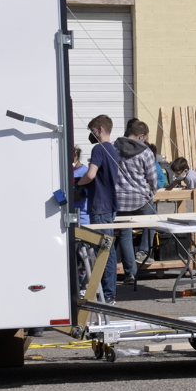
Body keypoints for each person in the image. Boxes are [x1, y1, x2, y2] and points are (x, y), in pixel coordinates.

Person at [76, 114, 121, 304]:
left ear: (100, 129)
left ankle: (108, 293)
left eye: (92, 130)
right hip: (109, 205)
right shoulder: (114, 150)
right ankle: (107, 291)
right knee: (107, 249)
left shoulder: (98, 149)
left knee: (104, 250)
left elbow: (91, 174)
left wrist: (78, 183)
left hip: (100, 206)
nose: (91, 134)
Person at [114, 118, 164, 284]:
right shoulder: (146, 152)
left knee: (125, 234)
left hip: (120, 199)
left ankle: (130, 274)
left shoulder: (114, 147)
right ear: (141, 136)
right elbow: (152, 178)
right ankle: (143, 251)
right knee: (153, 221)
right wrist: (151, 193)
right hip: (140, 198)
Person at [72, 147, 90, 226]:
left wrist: (64, 193)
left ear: (75, 156)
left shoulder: (85, 172)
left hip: (83, 219)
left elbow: (80, 196)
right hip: (70, 219)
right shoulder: (65, 172)